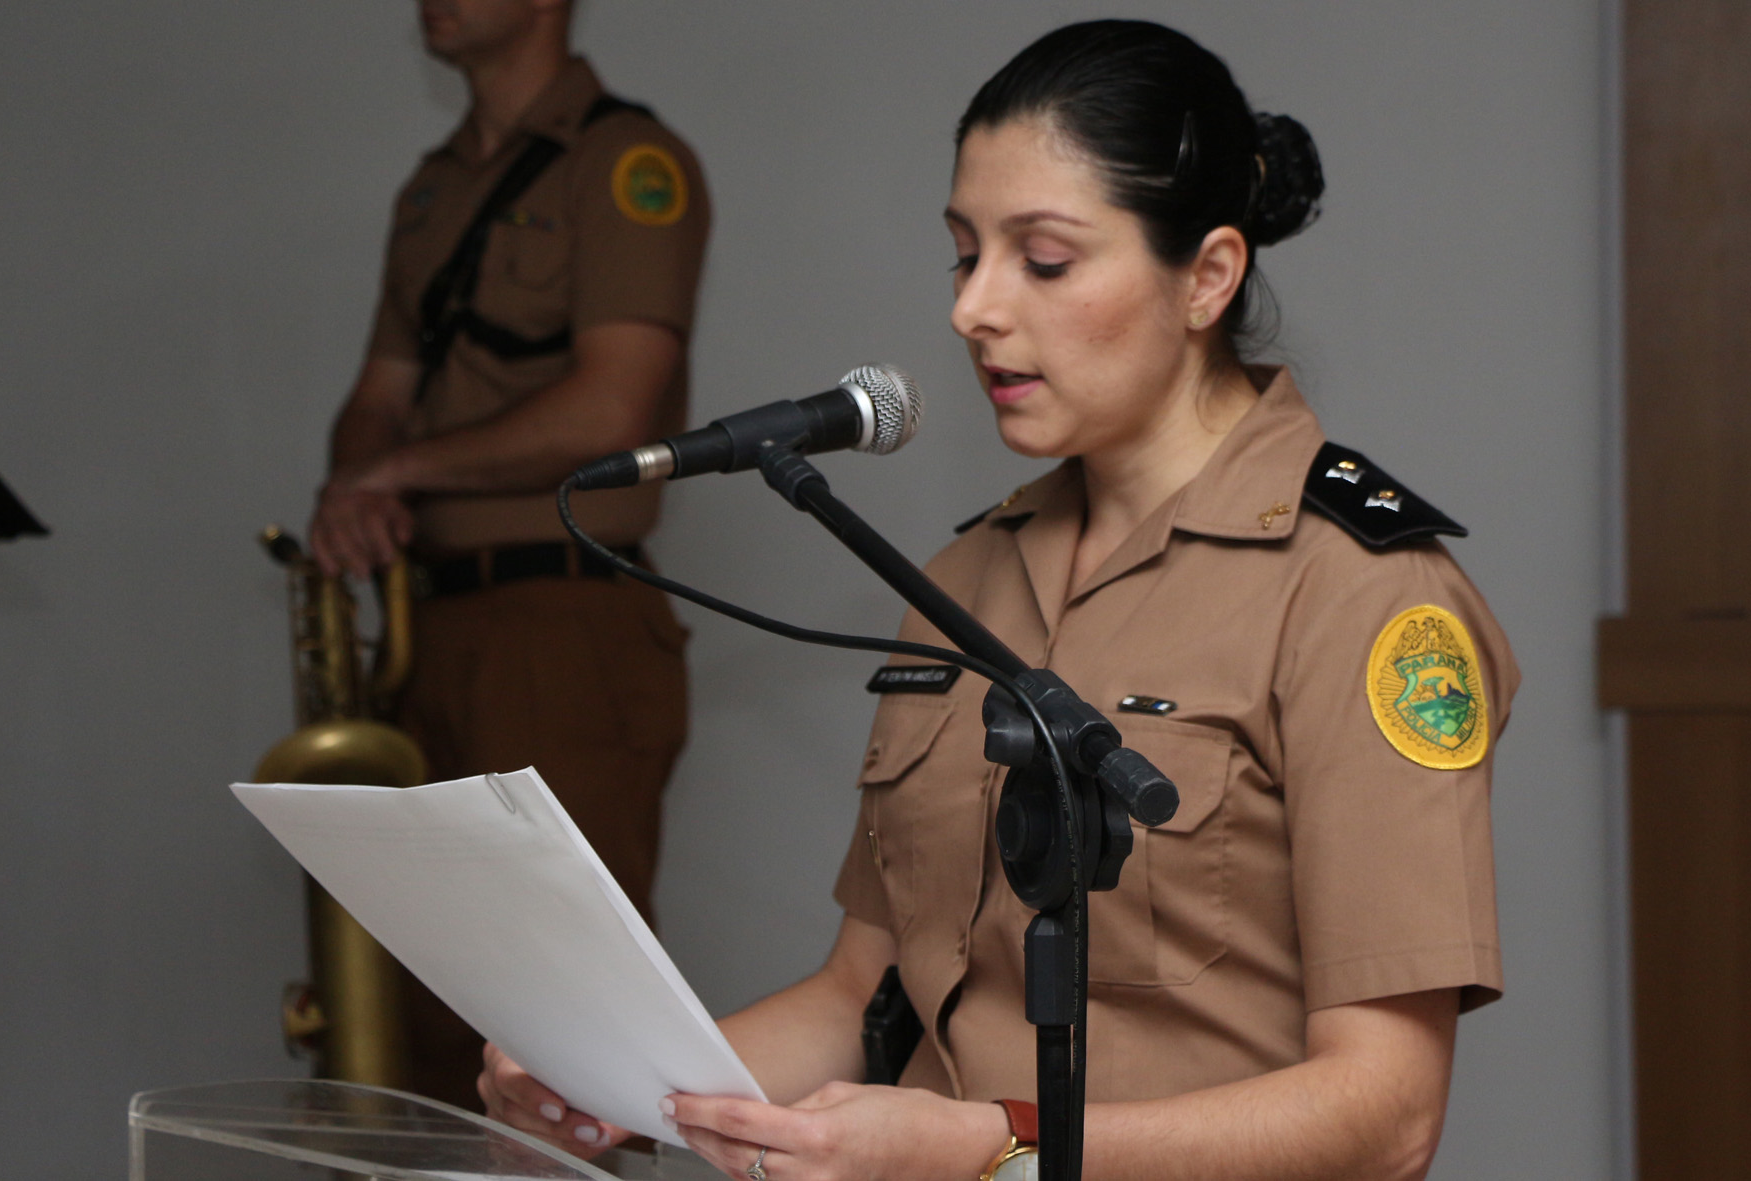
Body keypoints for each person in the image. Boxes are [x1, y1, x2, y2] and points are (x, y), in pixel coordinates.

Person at [481, 19, 1516, 1179]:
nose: (973, 308)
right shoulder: (962, 577)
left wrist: (991, 1145)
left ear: (1206, 277)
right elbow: (854, 994)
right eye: (962, 255)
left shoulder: (1361, 591)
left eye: (1044, 260)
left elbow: (1386, 1116)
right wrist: (612, 1088)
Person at [307, 0, 709, 1107]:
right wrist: (354, 487)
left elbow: (611, 409)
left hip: (561, 623)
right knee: (428, 1013)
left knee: (567, 1026)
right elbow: (378, 395)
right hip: (429, 624)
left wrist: (395, 473)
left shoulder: (626, 163)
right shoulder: (430, 188)